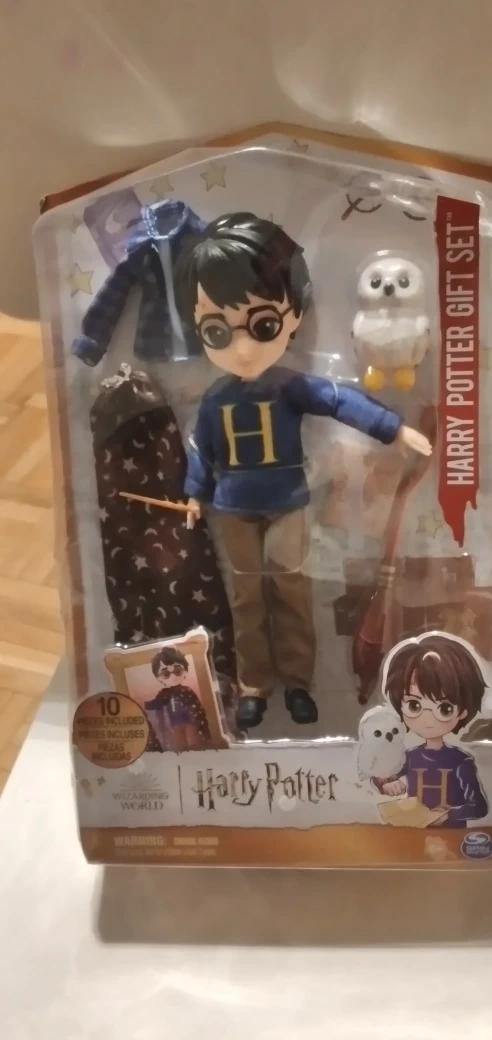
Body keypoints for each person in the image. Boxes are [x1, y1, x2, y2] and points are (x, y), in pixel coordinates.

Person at [174, 212, 432, 730]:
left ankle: (297, 682)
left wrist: (393, 428)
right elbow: (203, 449)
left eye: (263, 326)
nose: (242, 348)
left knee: (292, 592)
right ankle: (254, 685)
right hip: (234, 508)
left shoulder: (290, 386)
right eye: (217, 330)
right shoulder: (217, 398)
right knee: (247, 598)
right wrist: (194, 493)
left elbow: (339, 401)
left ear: (293, 316)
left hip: (288, 503)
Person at [381, 634, 488, 826]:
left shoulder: (461, 761)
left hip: (454, 838)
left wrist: (449, 814)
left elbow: (479, 807)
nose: (427, 719)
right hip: (415, 833)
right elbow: (383, 776)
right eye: (414, 705)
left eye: (444, 709)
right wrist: (386, 784)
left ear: (462, 711)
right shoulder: (410, 757)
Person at [145, 646, 211, 751]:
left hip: (190, 721)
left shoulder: (187, 691)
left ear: (185, 670)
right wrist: (146, 705)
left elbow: (197, 708)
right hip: (175, 723)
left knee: (193, 742)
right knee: (179, 745)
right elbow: (157, 704)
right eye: (165, 673)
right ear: (158, 677)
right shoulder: (164, 694)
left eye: (178, 670)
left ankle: (197, 755)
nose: (173, 676)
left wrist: (198, 721)